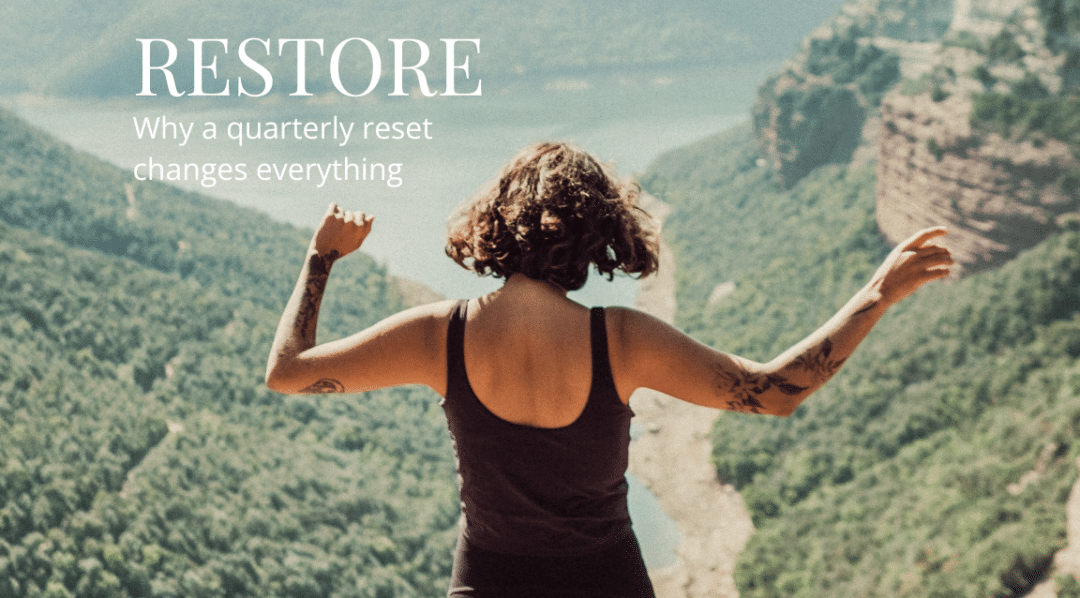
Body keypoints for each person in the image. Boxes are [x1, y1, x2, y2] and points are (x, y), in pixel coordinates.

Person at [265, 142, 953, 598]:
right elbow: (774, 391)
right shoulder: (621, 339)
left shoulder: (438, 334)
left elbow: (288, 371)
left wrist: (321, 257)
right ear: (599, 234)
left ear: (496, 221)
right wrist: (876, 295)